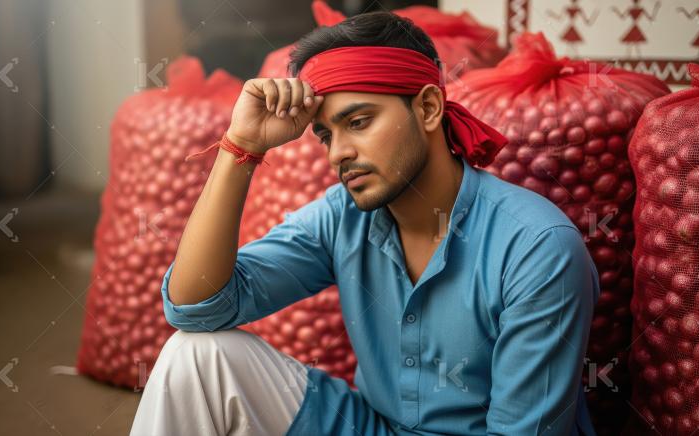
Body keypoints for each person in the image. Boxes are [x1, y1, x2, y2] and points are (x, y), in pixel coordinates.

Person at [130, 10, 599, 436]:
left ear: (429, 108)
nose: (339, 153)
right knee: (194, 356)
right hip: (370, 428)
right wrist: (241, 147)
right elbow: (196, 308)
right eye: (326, 135)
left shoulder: (536, 247)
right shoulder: (344, 216)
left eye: (358, 122)